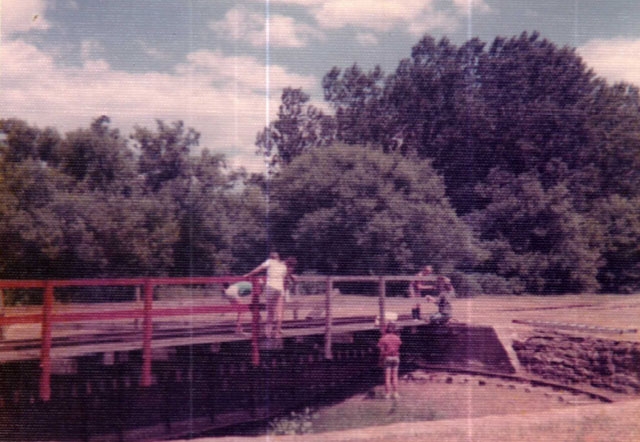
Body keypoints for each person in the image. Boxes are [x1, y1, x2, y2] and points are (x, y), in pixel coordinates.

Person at [245, 251, 288, 338]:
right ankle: (277, 333)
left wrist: (248, 274)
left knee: (270, 313)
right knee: (279, 313)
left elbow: (259, 269)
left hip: (271, 288)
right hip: (280, 289)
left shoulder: (270, 262)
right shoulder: (283, 266)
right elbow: (285, 279)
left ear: (271, 257)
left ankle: (267, 333)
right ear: (278, 257)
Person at [377, 322, 402, 399]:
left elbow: (381, 351)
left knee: (387, 377)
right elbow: (399, 346)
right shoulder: (397, 338)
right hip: (396, 357)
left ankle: (387, 394)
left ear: (386, 329)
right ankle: (396, 393)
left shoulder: (383, 339)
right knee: (395, 376)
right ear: (394, 329)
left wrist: (380, 360)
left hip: (387, 358)